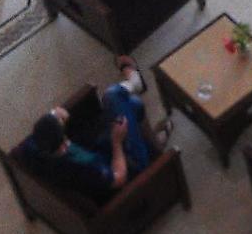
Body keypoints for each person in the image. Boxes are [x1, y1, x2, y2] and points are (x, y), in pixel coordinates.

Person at [28, 55, 164, 200]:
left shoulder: (37, 147)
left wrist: (54, 115)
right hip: (131, 167)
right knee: (115, 97)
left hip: (98, 149)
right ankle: (135, 82)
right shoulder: (84, 165)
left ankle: (153, 142)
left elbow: (57, 118)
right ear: (63, 146)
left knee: (132, 105)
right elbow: (119, 178)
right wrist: (117, 143)